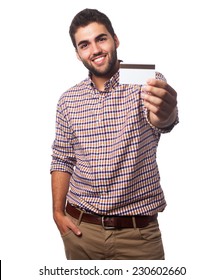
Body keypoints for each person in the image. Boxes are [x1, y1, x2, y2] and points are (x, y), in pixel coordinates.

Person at [50, 8, 178, 260]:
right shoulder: (69, 99)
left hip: (138, 234)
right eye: (84, 45)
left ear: (115, 40)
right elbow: (62, 158)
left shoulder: (143, 77)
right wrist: (57, 212)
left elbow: (161, 120)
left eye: (101, 39)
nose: (95, 50)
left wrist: (166, 114)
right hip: (81, 231)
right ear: (78, 54)